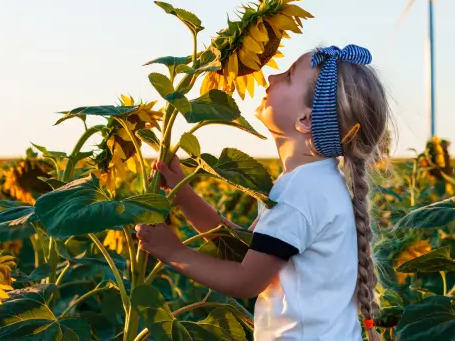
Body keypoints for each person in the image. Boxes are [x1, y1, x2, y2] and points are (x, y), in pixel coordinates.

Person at [136, 44, 391, 340]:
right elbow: (248, 250)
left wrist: (174, 252)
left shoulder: (302, 191)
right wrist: (184, 194)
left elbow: (247, 280)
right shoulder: (313, 182)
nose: (271, 77)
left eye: (288, 76)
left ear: (305, 120)